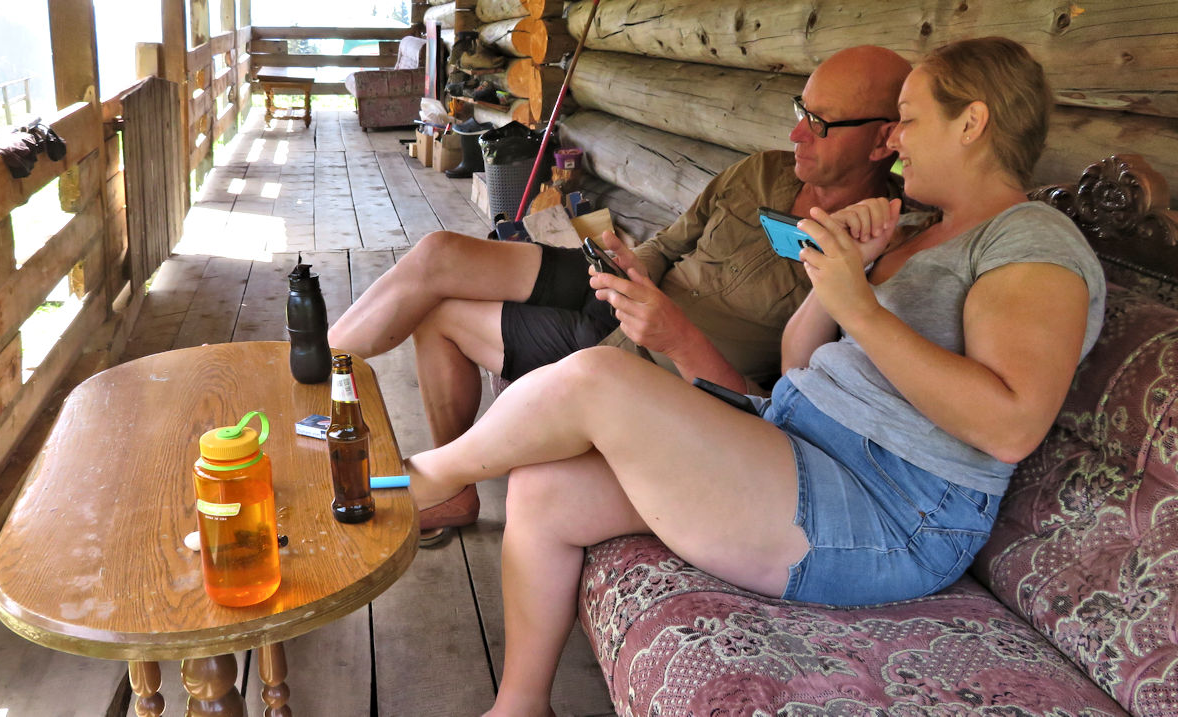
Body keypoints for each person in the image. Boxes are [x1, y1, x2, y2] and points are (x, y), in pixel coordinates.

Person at [406, 37, 1107, 716]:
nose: (896, 143)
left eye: (912, 120)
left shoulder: (1030, 238)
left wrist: (859, 306)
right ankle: (519, 705)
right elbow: (803, 362)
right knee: (546, 487)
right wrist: (840, 277)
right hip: (802, 446)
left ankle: (429, 477)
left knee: (598, 378)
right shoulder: (922, 232)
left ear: (973, 122)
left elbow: (1013, 423)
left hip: (889, 509)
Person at [328, 45, 913, 455]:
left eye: (822, 122)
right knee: (439, 254)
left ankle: (443, 485)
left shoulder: (878, 246)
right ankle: (309, 371)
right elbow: (673, 240)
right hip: (621, 288)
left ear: (885, 138)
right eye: (798, 111)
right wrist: (635, 265)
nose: (796, 133)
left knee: (441, 316)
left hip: (646, 352)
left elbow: (791, 385)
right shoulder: (761, 172)